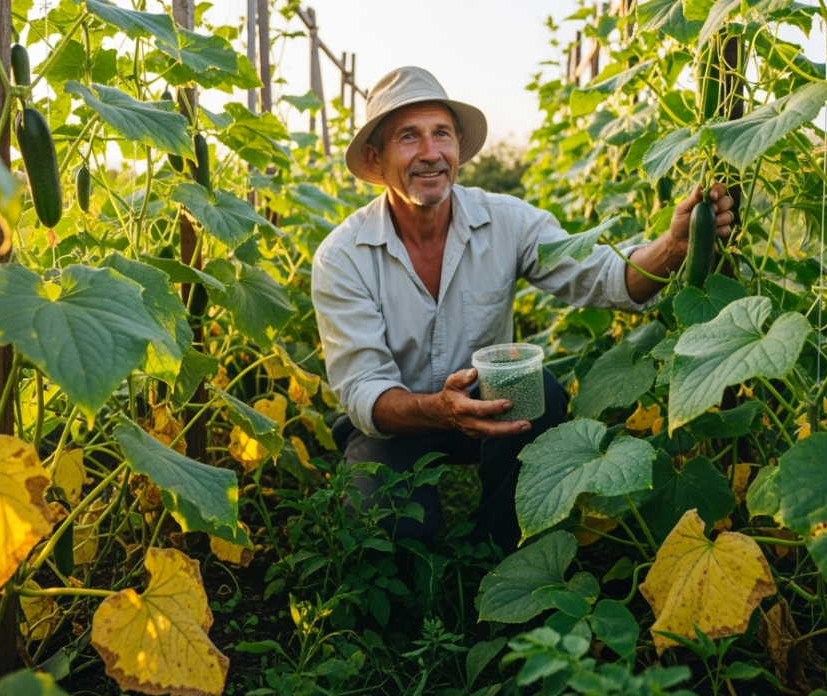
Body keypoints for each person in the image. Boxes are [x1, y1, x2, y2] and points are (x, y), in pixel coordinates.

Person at [311, 66, 734, 551]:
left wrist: (675, 244)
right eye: (409, 137)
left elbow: (605, 278)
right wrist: (440, 410)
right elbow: (365, 390)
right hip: (398, 421)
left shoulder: (507, 221)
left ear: (457, 147)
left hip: (494, 404)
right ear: (376, 157)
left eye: (441, 134)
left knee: (544, 395)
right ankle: (417, 565)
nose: (430, 153)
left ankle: (497, 545)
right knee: (388, 531)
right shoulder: (343, 256)